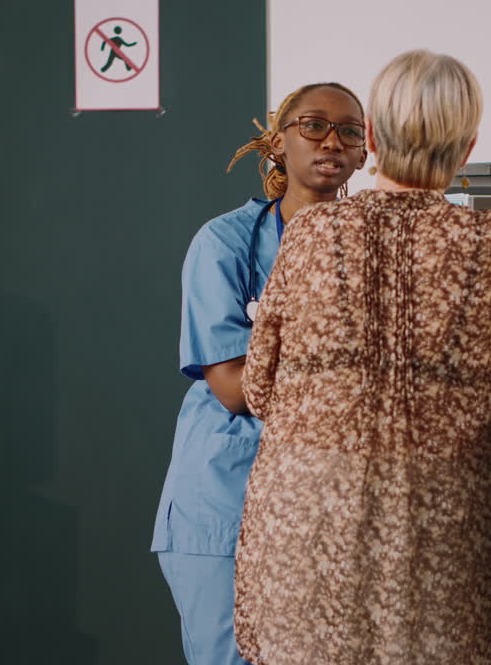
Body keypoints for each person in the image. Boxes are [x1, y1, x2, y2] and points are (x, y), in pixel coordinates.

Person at [234, 50, 491, 665]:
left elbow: (259, 388)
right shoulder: (490, 246)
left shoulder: (311, 233)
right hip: (430, 532)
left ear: (373, 138)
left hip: (306, 525)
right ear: (467, 148)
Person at [151, 83, 368, 665]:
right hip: (228, 499)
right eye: (314, 125)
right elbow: (233, 386)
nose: (333, 141)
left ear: (366, 152)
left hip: (325, 502)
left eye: (351, 131)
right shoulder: (224, 244)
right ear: (278, 141)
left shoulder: (372, 247)